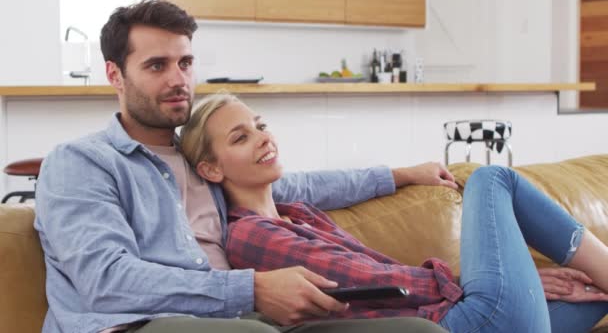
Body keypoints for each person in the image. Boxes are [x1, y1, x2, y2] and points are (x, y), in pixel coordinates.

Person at [34, 0, 451, 333]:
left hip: (237, 317)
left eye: (185, 63)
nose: (178, 80)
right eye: (156, 66)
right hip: (133, 324)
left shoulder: (202, 161)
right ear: (115, 75)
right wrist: (251, 289)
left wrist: (403, 174)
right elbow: (107, 281)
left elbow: (301, 187)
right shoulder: (81, 163)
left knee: (417, 330)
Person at [179, 92, 608, 333]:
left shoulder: (298, 212)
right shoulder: (252, 236)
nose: (261, 138)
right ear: (211, 168)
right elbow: (374, 282)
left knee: (594, 294)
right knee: (490, 179)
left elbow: (328, 188)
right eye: (240, 137)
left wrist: (520, 282)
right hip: (456, 325)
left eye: (259, 124)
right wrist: (504, 281)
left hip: (478, 317)